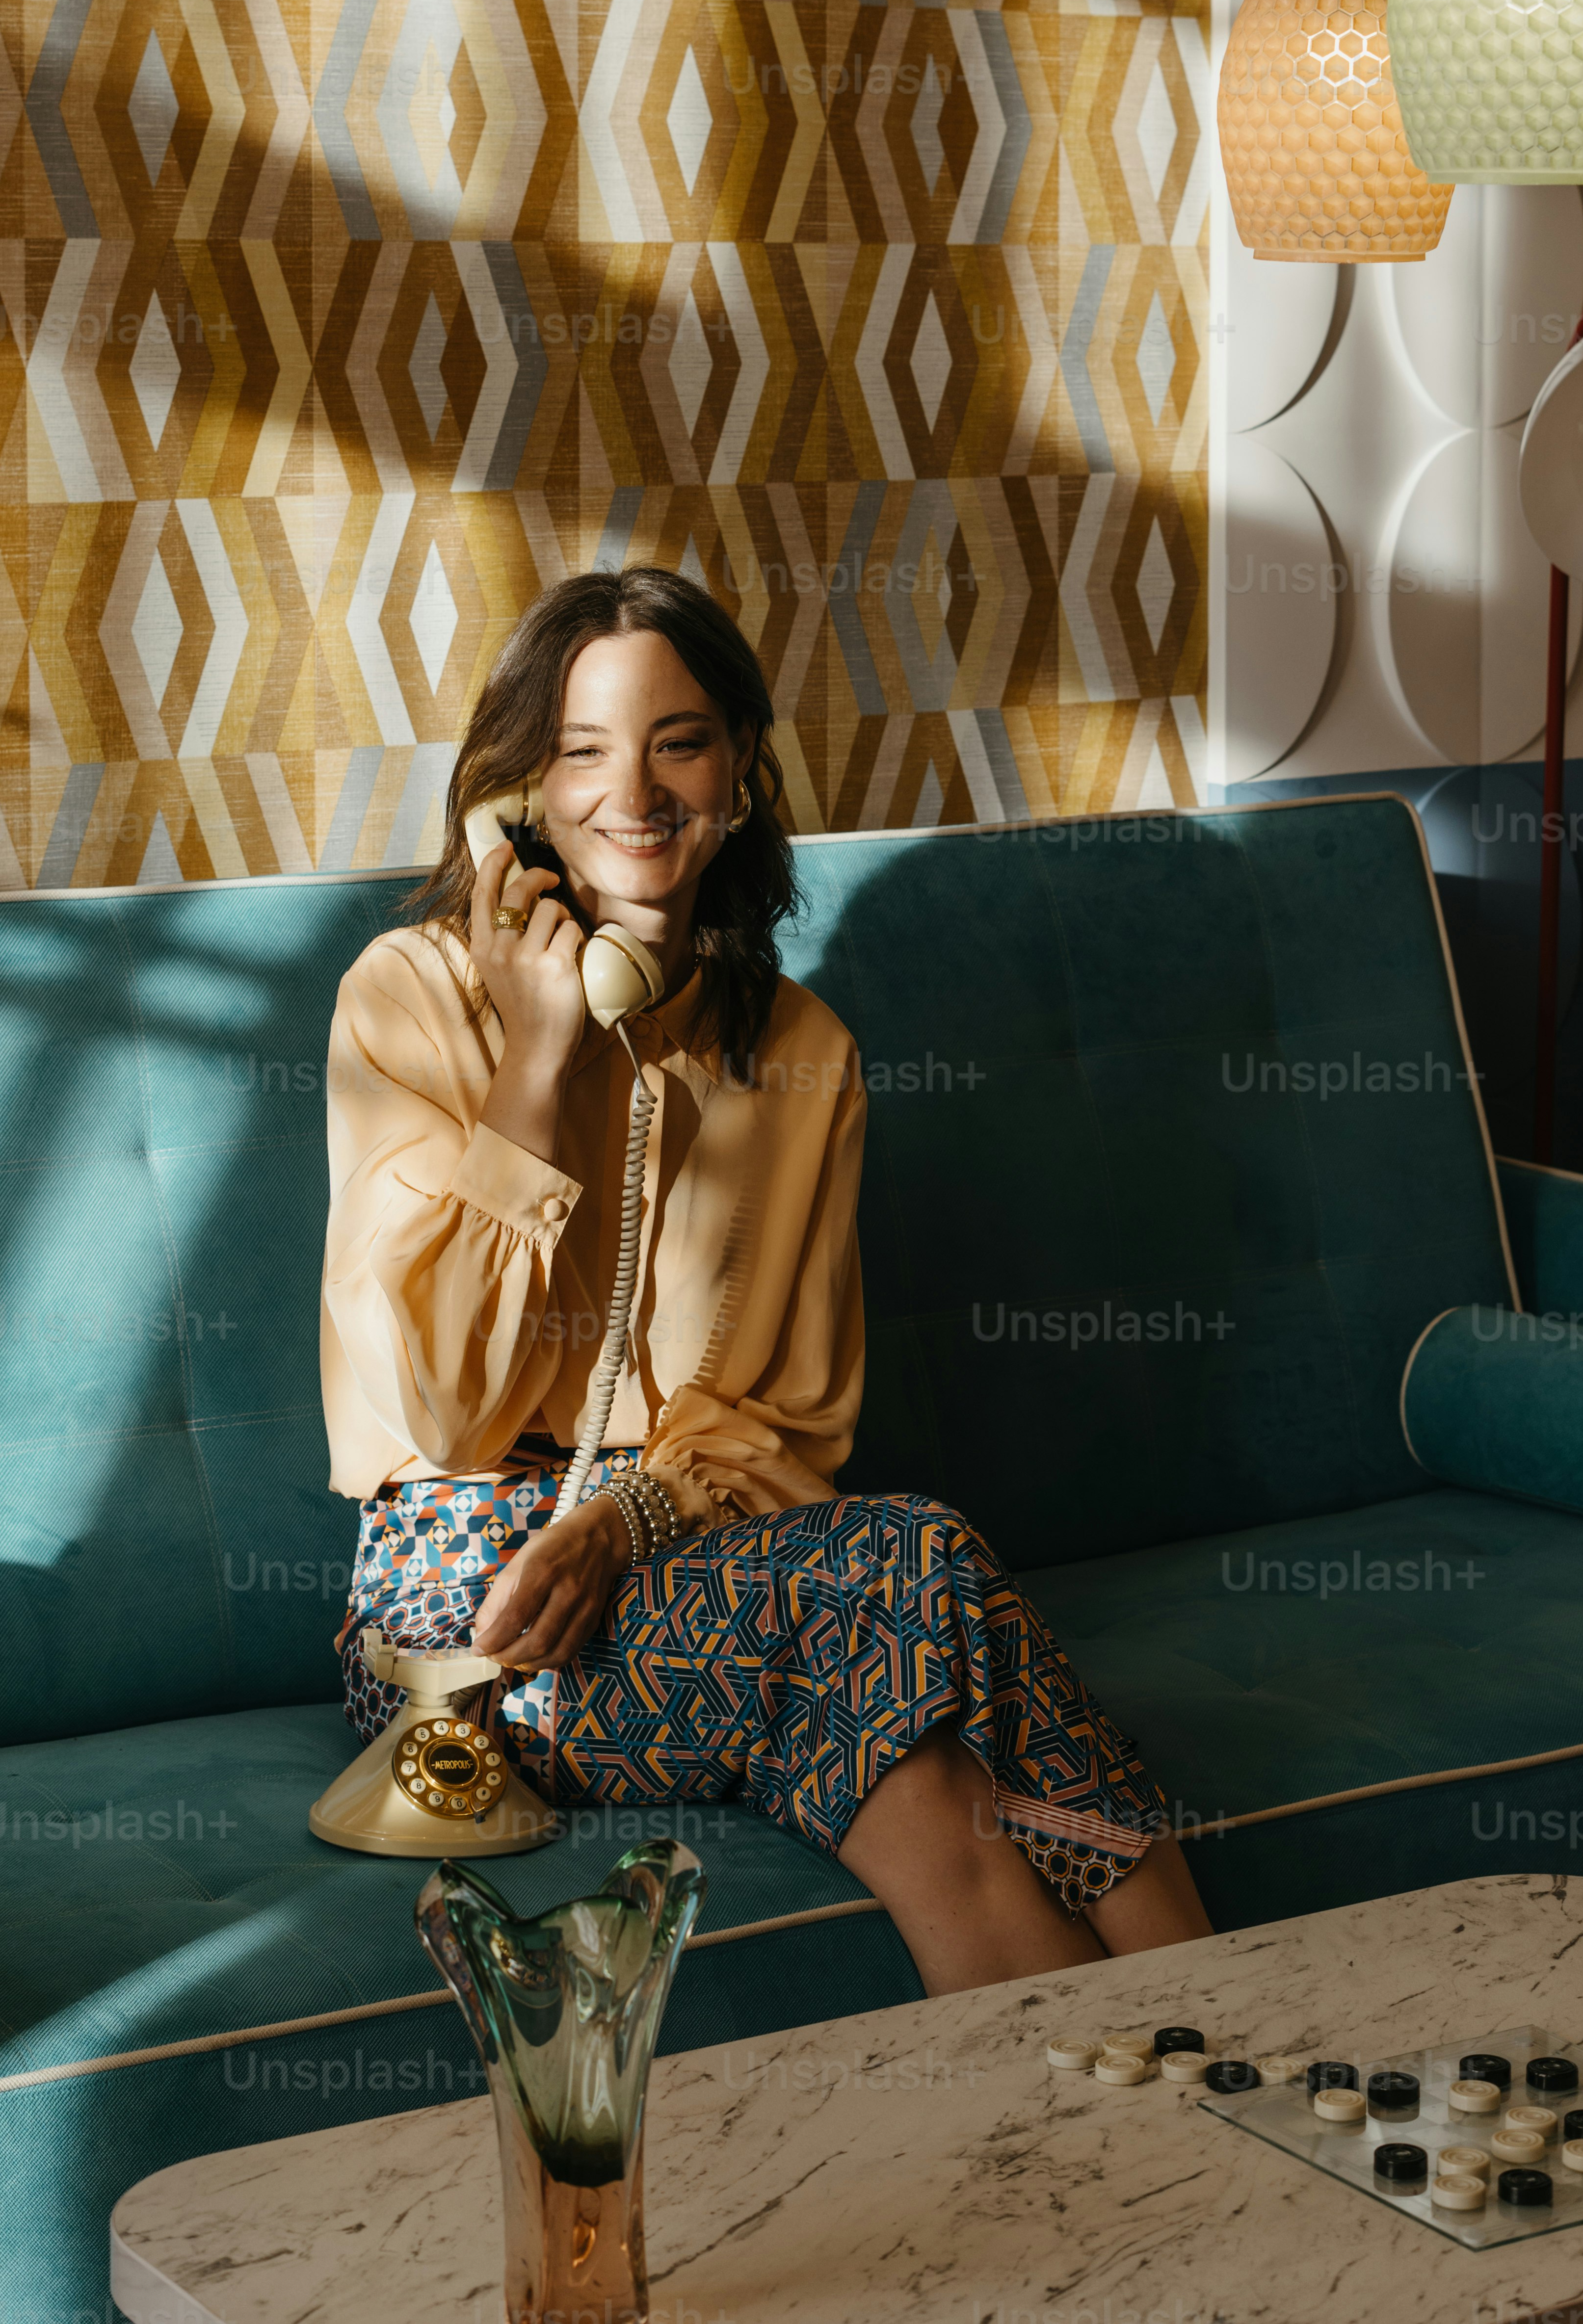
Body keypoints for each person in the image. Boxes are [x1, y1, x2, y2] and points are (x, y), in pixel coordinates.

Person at [321, 567, 1211, 1991]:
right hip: (461, 1634)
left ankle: (1092, 2149)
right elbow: (439, 1406)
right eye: (581, 750)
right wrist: (542, 1062)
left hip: (708, 1567)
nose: (636, 792)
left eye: (678, 741)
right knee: (911, 1555)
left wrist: (627, 1518)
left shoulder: (801, 1050)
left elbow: (787, 1424)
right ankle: (1236, 2005)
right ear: (522, 798)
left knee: (930, 1797)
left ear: (737, 771)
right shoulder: (410, 995)